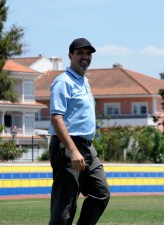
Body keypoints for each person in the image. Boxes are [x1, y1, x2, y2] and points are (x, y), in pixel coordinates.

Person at [48, 38, 110, 225]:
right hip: (68, 146)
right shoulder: (63, 81)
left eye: (88, 53)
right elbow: (56, 118)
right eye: (80, 53)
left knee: (101, 194)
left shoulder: (84, 82)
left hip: (87, 147)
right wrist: (73, 150)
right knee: (65, 207)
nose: (85, 57)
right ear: (70, 56)